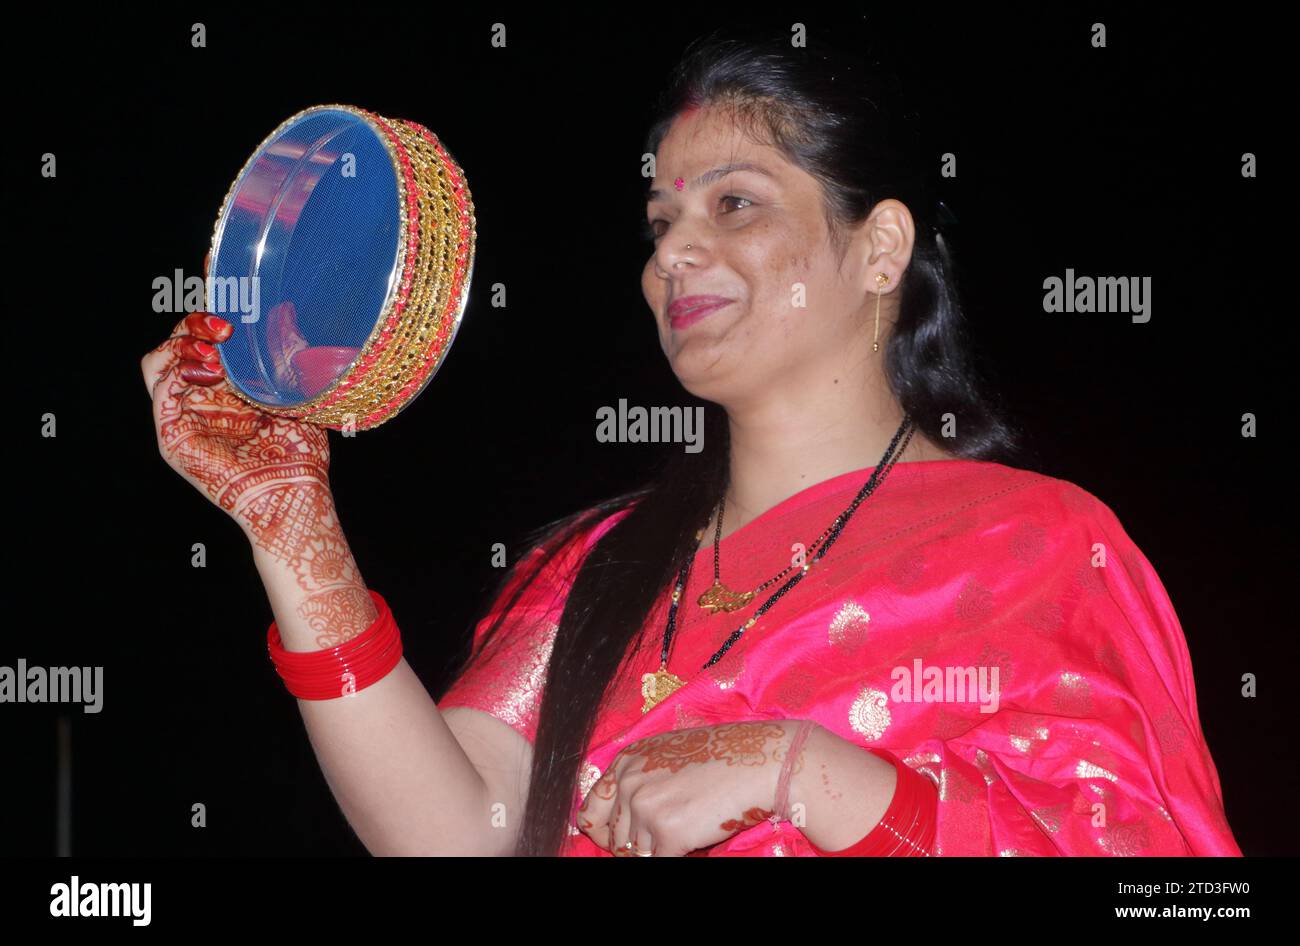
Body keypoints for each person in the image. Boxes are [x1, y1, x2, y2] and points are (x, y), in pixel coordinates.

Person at [141, 26, 1241, 857]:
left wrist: (805, 773)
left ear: (879, 248)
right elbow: (458, 829)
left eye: (735, 205)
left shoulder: (1042, 547)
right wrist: (291, 531)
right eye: (663, 224)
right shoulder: (593, 570)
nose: (676, 252)